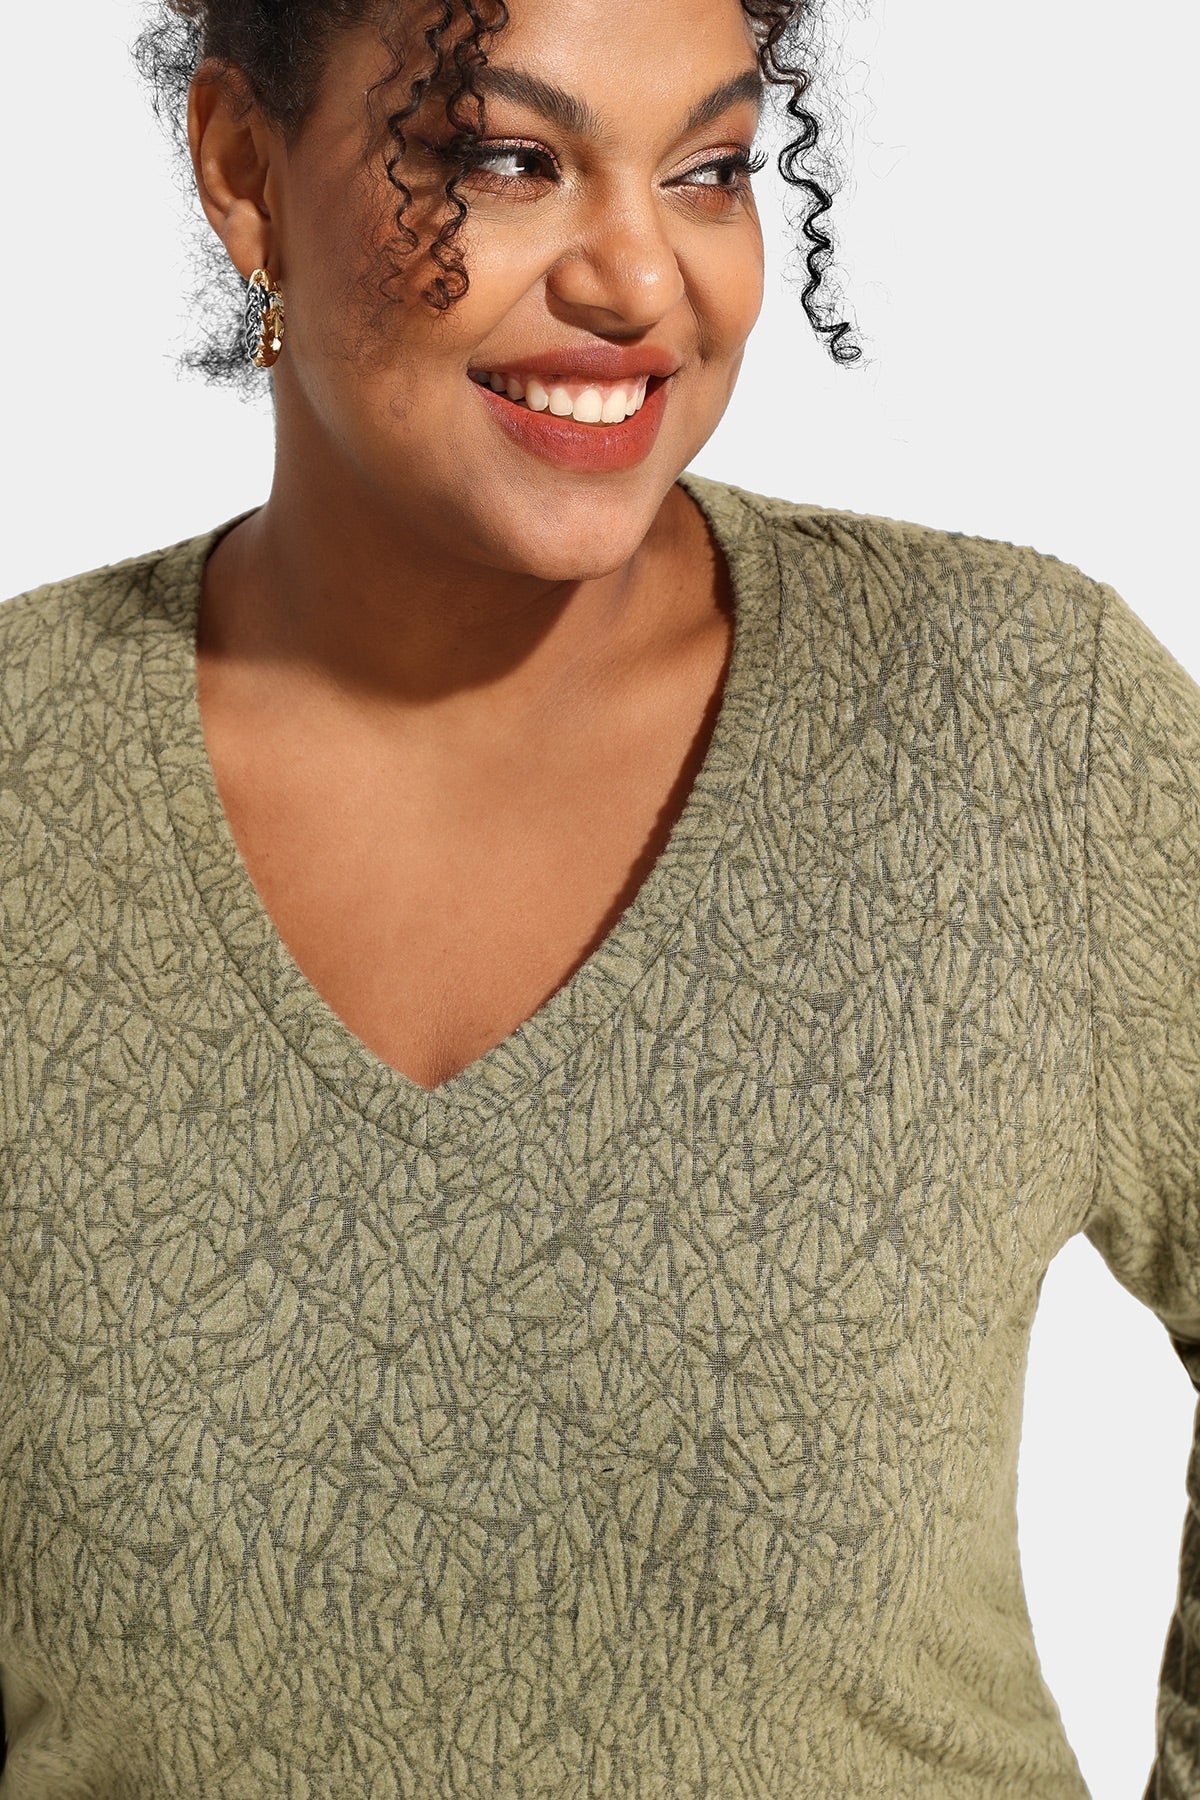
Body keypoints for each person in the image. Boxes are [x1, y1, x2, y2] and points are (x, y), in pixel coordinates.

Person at [0, 0, 1196, 1794]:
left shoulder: (1020, 722)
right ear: (244, 171)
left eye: (710, 170)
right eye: (507, 160)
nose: (644, 280)